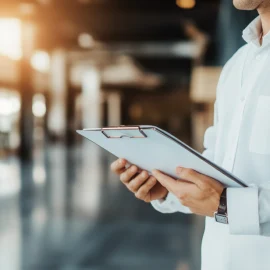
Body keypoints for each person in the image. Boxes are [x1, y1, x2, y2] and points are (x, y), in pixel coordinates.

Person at [111, 1, 270, 269]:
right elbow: (218, 166)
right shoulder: (237, 65)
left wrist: (227, 206)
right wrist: (168, 187)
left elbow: (221, 200)